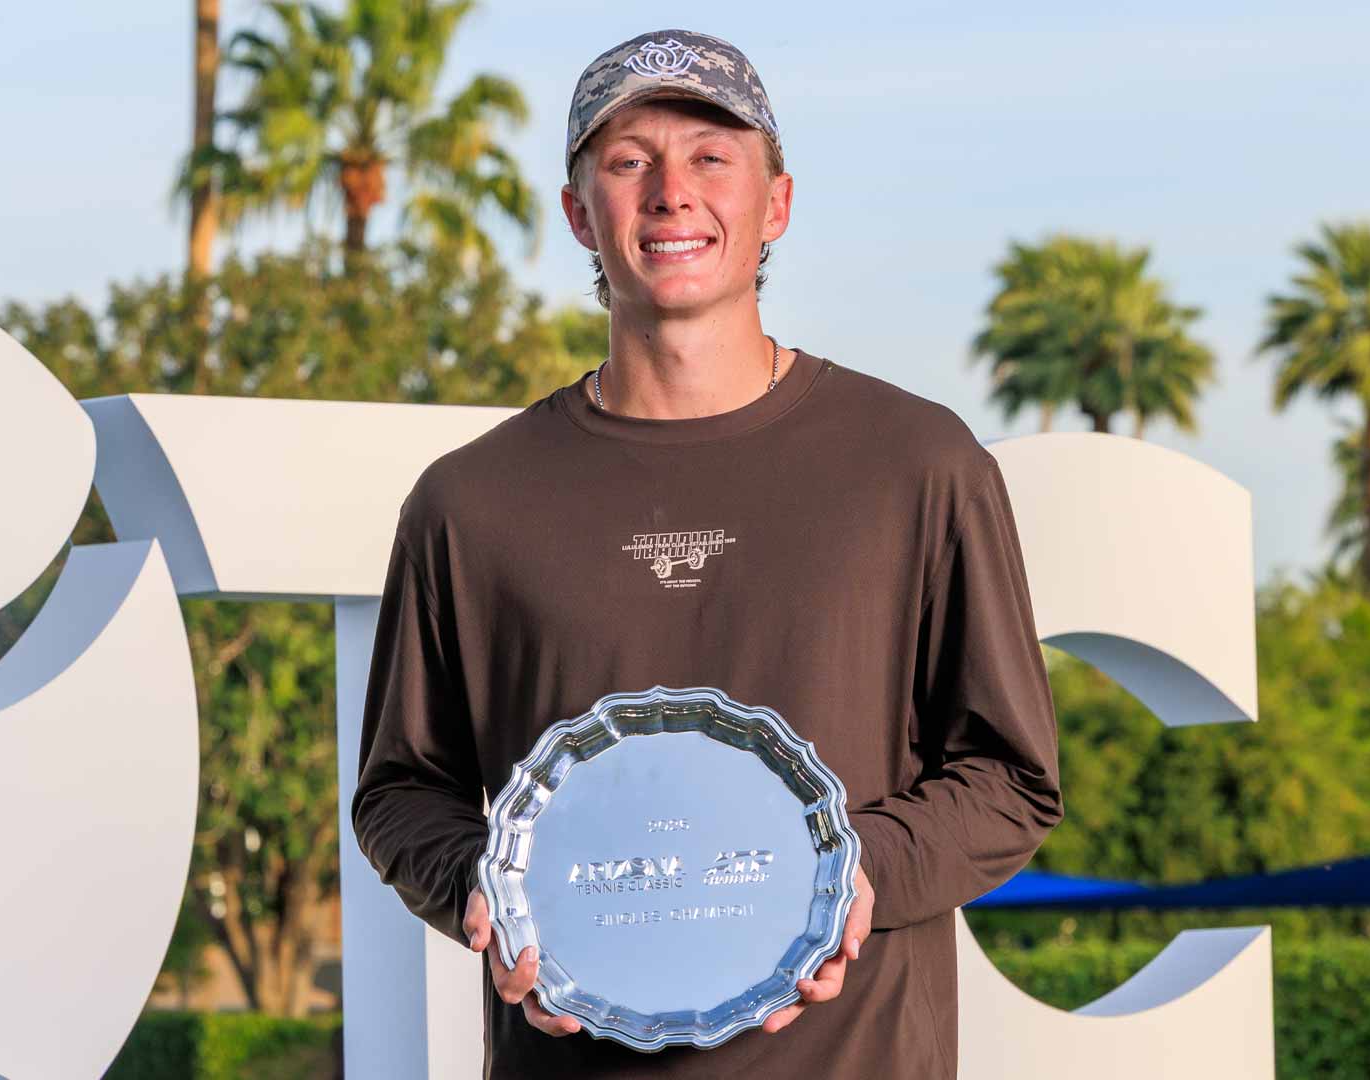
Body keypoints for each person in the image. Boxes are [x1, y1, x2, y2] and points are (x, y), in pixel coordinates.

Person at [352, 27, 1064, 1078]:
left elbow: (1010, 776)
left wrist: (856, 872)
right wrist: (490, 887)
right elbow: (400, 790)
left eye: (711, 157)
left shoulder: (916, 465)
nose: (671, 192)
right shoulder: (471, 502)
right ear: (578, 212)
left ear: (775, 202)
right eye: (629, 160)